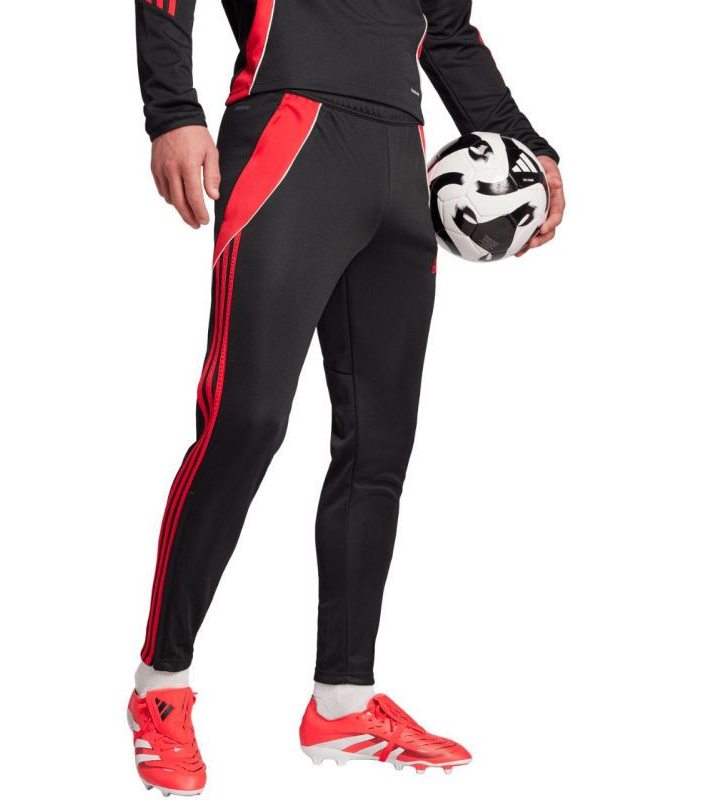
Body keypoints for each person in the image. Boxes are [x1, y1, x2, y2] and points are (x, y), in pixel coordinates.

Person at [127, 0, 565, 794]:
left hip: (401, 157)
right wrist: (173, 109)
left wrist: (526, 143)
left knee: (378, 446)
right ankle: (161, 689)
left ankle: (343, 702)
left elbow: (448, 30)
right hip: (289, 135)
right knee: (245, 422)